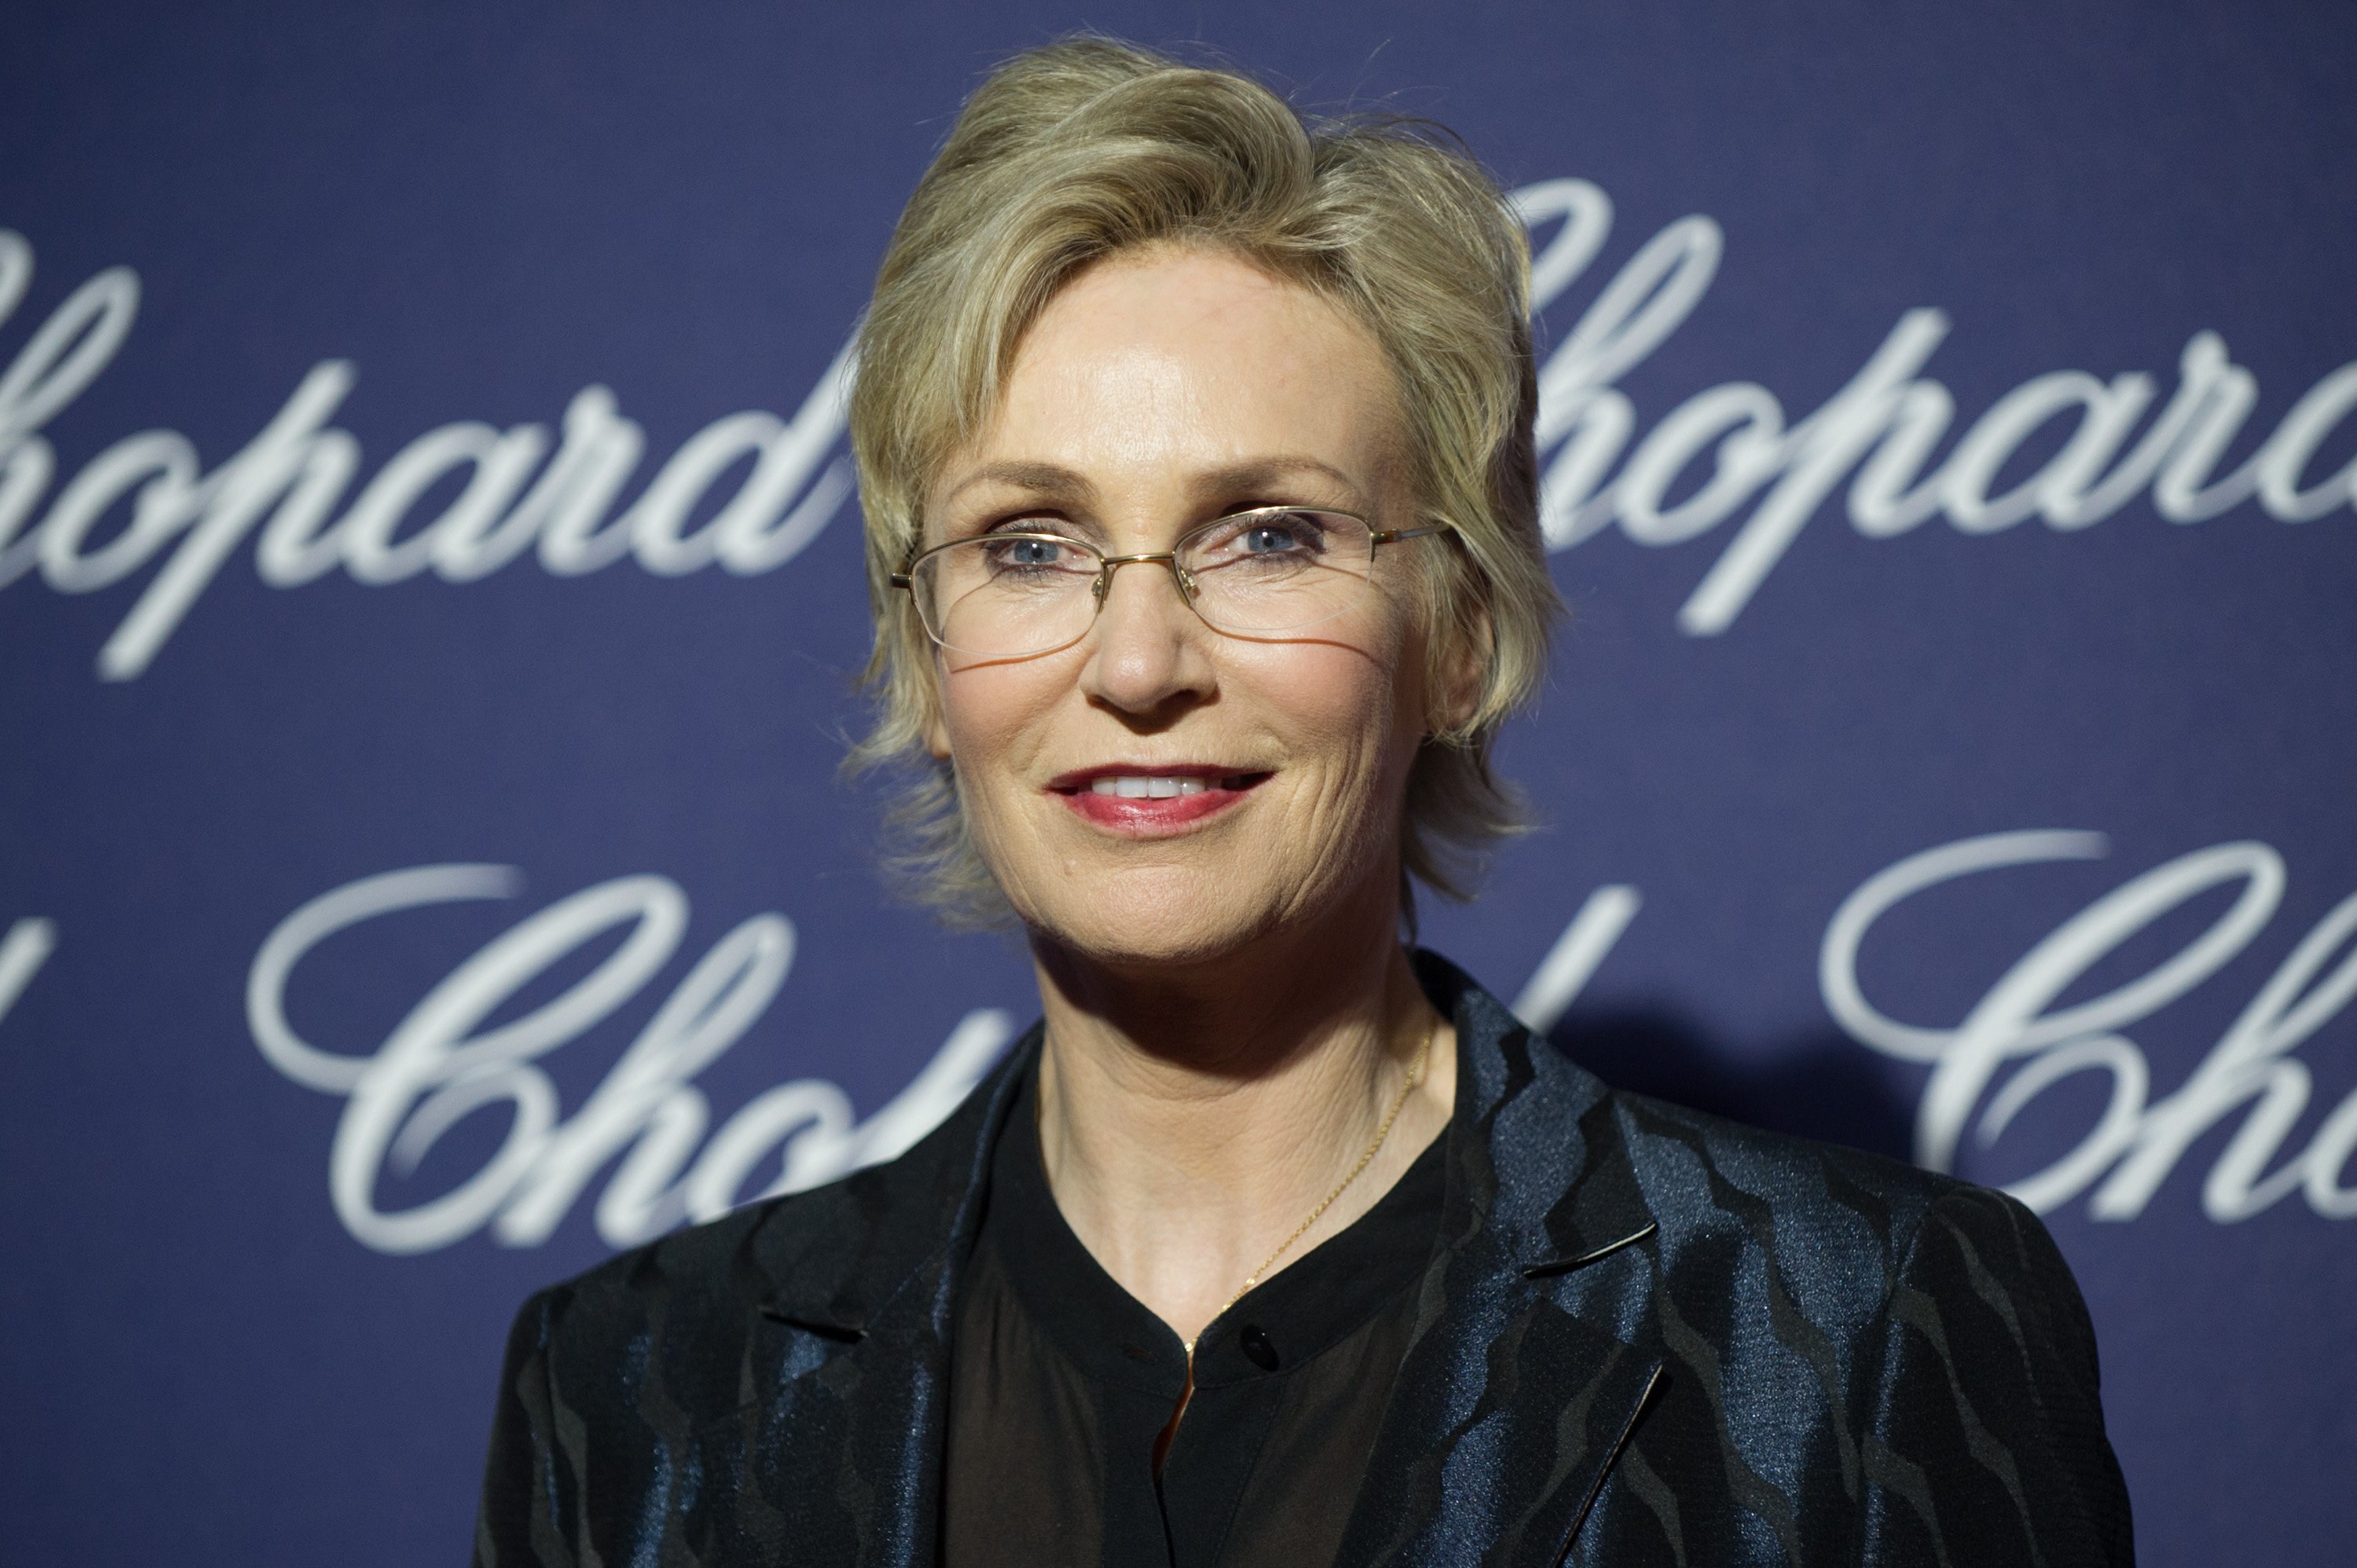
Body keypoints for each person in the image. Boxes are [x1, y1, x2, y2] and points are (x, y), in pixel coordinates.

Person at [472, 37, 2132, 1567]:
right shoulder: (633, 1394)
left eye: (1266, 531)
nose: (1137, 657)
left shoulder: (1860, 1326)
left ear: (1461, 631)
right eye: (1030, 543)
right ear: (925, 649)